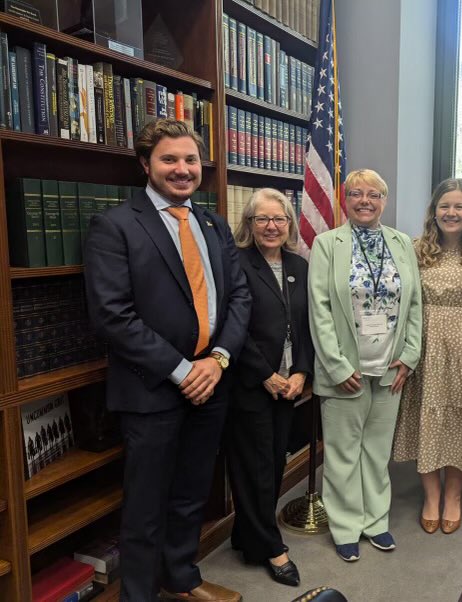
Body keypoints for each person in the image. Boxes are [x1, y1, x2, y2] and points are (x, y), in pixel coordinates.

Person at [84, 119, 251, 602]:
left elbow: (238, 297)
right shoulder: (114, 226)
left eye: (191, 160)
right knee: (145, 504)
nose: (182, 169)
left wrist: (217, 360)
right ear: (145, 164)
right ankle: (138, 595)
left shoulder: (214, 223)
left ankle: (181, 578)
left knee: (190, 494)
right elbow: (112, 318)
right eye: (169, 160)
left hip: (212, 380)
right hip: (153, 389)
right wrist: (183, 371)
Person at [308, 168, 422, 561]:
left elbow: (415, 304)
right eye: (356, 193)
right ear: (345, 199)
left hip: (390, 367)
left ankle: (376, 521)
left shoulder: (402, 242)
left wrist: (410, 354)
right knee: (341, 453)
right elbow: (319, 310)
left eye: (373, 194)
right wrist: (337, 367)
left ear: (384, 201)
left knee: (376, 451)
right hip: (346, 371)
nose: (364, 201)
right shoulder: (327, 243)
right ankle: (345, 526)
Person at [393, 178, 462, 534]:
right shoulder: (415, 248)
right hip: (423, 347)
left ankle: (453, 497)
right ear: (434, 211)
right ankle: (430, 495)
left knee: (459, 422)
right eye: (445, 206)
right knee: (426, 419)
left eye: (459, 206)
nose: (451, 213)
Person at [226, 188, 313, 587]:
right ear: (249, 225)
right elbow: (230, 330)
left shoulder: (299, 265)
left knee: (273, 464)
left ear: (290, 224)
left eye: (279, 219)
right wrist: (265, 374)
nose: (272, 226)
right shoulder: (237, 264)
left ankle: (246, 537)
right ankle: (273, 549)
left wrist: (301, 372)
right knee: (256, 470)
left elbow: (309, 327)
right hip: (252, 384)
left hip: (288, 385)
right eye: (262, 219)